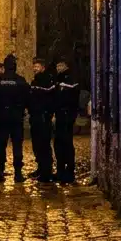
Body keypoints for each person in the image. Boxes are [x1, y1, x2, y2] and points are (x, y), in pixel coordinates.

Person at [0, 54, 29, 182]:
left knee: (0, 145)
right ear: (15, 66)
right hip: (16, 118)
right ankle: (18, 173)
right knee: (17, 146)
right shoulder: (21, 81)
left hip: (0, 117)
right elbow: (28, 98)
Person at [53, 56, 81, 184]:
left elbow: (72, 98)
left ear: (66, 67)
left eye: (61, 66)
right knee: (58, 143)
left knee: (67, 144)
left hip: (67, 115)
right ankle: (60, 170)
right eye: (57, 66)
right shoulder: (57, 80)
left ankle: (69, 171)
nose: (58, 68)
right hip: (59, 115)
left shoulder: (71, 80)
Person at [28, 57, 55, 183]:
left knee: (44, 145)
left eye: (37, 66)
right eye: (34, 66)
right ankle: (40, 168)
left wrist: (46, 113)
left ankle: (46, 171)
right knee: (37, 145)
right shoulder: (36, 81)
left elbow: (47, 99)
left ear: (43, 67)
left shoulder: (47, 81)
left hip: (43, 117)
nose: (35, 68)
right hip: (35, 117)